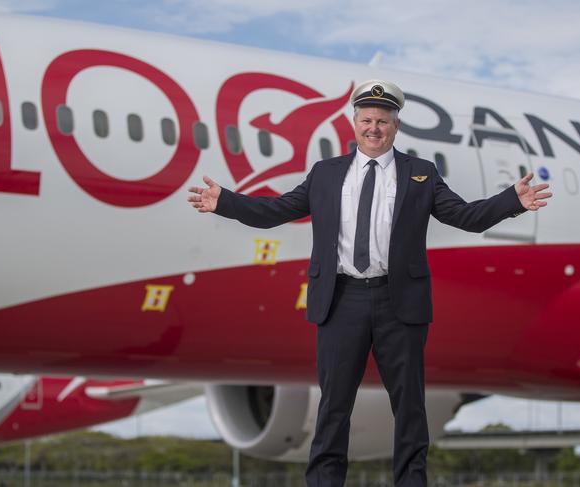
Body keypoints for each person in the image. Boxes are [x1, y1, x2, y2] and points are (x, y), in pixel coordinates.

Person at [188, 79, 552, 487]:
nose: (374, 128)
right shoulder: (326, 174)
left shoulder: (420, 174)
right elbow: (277, 210)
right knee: (334, 407)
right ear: (354, 123)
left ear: (395, 125)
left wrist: (510, 202)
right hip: (341, 299)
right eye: (366, 120)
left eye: (382, 120)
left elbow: (465, 217)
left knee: (410, 407)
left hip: (400, 303)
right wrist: (226, 202)